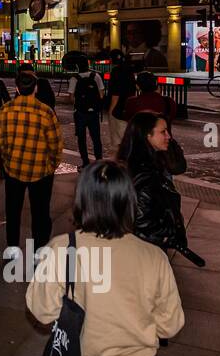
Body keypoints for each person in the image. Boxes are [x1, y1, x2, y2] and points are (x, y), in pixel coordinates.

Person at [25, 159, 186, 356]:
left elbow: (41, 311)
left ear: (82, 200)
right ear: (129, 201)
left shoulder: (63, 248)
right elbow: (170, 326)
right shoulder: (153, 256)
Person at [117, 112, 204, 267]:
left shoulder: (142, 162)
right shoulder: (146, 176)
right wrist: (169, 234)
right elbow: (142, 224)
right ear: (147, 136)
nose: (169, 136)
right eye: (163, 132)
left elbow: (178, 166)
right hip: (147, 252)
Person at [0, 71, 62, 259]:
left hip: (14, 169)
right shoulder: (46, 111)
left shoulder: (5, 110)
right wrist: (51, 166)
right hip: (41, 171)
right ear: (36, 88)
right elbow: (56, 144)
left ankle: (12, 250)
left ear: (16, 88)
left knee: (13, 212)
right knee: (40, 213)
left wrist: (8, 160)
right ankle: (39, 252)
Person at [69, 64, 105, 167]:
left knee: (81, 138)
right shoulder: (96, 76)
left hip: (80, 112)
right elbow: (101, 94)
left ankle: (85, 162)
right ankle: (99, 161)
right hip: (93, 112)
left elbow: (71, 98)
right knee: (96, 138)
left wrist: (80, 102)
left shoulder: (74, 78)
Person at [105, 50, 136, 147]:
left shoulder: (116, 71)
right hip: (129, 108)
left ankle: (121, 160)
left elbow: (116, 93)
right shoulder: (130, 70)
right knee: (128, 138)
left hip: (118, 110)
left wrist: (111, 110)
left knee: (118, 141)